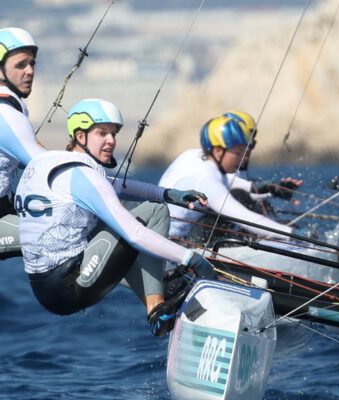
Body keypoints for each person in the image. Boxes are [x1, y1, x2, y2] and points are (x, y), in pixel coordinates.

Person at [16, 98, 213, 337]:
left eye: (114, 133)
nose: (111, 141)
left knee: (112, 221)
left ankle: (163, 301)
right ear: (80, 137)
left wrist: (169, 194)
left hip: (45, 290)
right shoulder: (84, 175)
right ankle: (157, 309)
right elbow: (135, 233)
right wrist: (190, 259)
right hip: (72, 284)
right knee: (153, 212)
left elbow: (120, 186)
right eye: (102, 133)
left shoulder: (51, 163)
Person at [158, 110, 301, 241]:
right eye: (238, 153)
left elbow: (234, 186)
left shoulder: (205, 164)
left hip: (182, 236)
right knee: (239, 197)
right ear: (219, 151)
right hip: (171, 245)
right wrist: (291, 233)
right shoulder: (205, 180)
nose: (244, 158)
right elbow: (243, 217)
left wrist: (272, 191)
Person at [0, 27, 46, 258]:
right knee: (61, 231)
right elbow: (47, 164)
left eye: (32, 64)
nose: (30, 71)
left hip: (5, 210)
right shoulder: (4, 113)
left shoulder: (12, 106)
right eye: (21, 65)